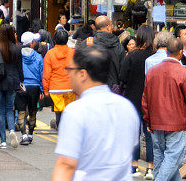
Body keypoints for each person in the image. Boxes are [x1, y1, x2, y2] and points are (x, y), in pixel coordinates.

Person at [52, 45, 140, 181]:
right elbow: (129, 150)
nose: (68, 74)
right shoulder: (127, 107)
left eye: (70, 69)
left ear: (82, 74)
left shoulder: (76, 111)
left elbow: (66, 164)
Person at [143, 38, 186, 181]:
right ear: (181, 53)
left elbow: (145, 99)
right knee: (172, 157)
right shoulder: (184, 73)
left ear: (166, 51)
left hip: (156, 121)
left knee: (161, 157)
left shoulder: (152, 71)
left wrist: (147, 120)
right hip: (176, 122)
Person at [121, 24, 156, 179]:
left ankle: (134, 166)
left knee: (134, 134)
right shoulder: (156, 57)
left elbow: (122, 77)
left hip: (133, 99)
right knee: (149, 134)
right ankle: (150, 168)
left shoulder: (132, 56)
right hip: (151, 100)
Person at [0, 22, 23, 149]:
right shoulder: (17, 48)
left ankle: (3, 141)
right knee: (9, 109)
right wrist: (21, 81)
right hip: (12, 82)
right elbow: (20, 68)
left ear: (0, 34)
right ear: (12, 34)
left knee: (0, 111)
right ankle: (12, 130)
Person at [43, 27, 76, 129]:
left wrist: (46, 89)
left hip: (55, 87)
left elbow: (46, 73)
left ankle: (61, 131)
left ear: (55, 40)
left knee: (58, 111)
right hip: (70, 86)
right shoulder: (73, 52)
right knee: (69, 111)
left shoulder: (50, 53)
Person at [18, 31, 43, 145]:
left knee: (22, 112)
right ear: (32, 43)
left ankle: (23, 135)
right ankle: (30, 134)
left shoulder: (18, 55)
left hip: (22, 86)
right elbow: (41, 73)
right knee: (33, 112)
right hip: (35, 87)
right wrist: (42, 89)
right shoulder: (38, 57)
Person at [93, 15, 126, 91]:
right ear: (108, 27)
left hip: (93, 89)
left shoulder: (88, 44)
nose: (113, 28)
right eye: (112, 26)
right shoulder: (118, 47)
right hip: (114, 89)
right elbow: (123, 72)